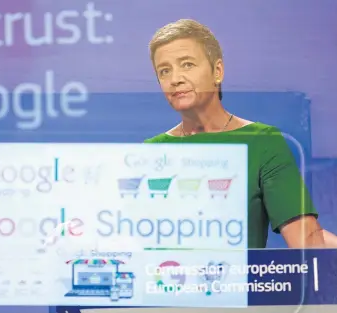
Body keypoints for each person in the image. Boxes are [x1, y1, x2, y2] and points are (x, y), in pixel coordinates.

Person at [144, 18, 337, 249]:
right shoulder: (152, 151)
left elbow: (307, 241)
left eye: (187, 65)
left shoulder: (262, 142)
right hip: (166, 281)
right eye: (164, 71)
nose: (175, 79)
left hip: (240, 283)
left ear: (217, 71)